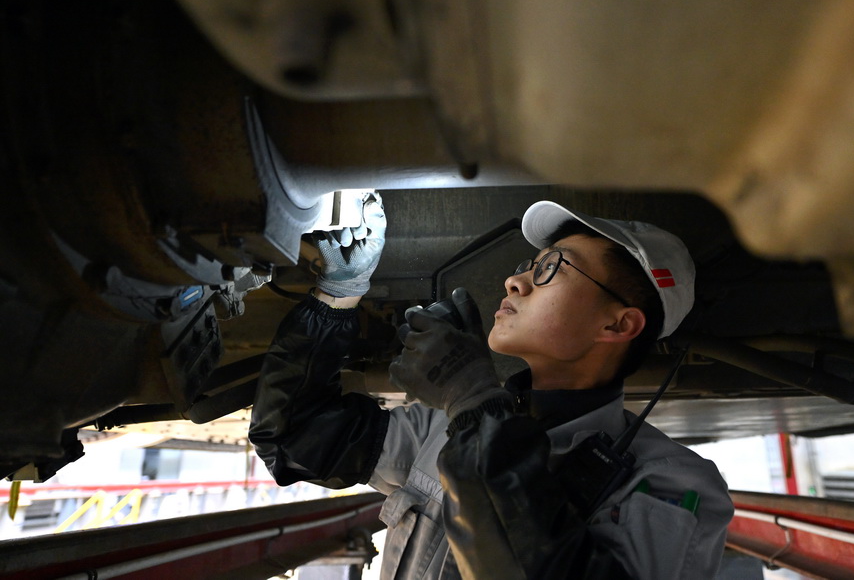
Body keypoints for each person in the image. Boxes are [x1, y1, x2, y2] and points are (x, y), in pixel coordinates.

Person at [249, 195, 733, 579]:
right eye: (530, 263)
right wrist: (338, 295)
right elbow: (296, 439)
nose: (515, 280)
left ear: (618, 324)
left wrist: (473, 403)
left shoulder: (672, 485)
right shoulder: (446, 427)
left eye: (551, 268)